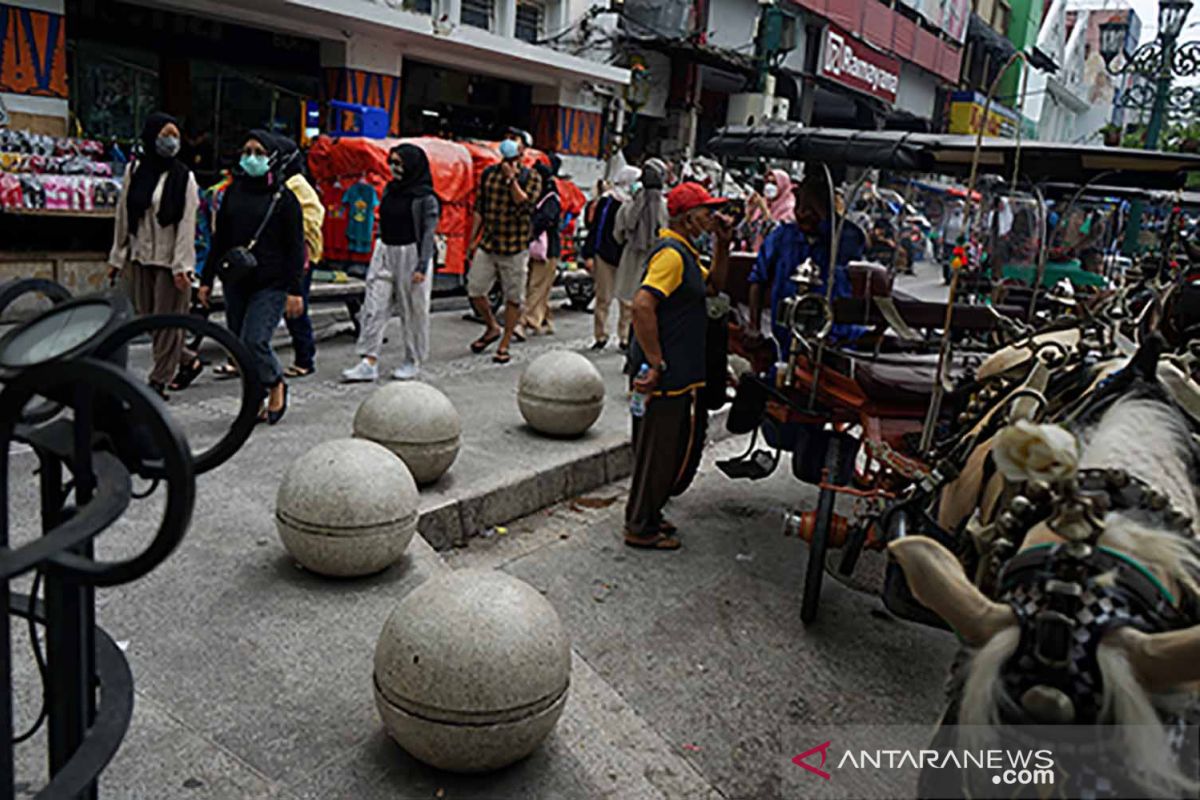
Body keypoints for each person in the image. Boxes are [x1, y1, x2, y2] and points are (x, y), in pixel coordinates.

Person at [624, 182, 732, 550]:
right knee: (656, 453)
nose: (711, 216)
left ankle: (650, 515)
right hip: (663, 376)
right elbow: (642, 306)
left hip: (677, 374)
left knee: (664, 451)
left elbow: (714, 286)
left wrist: (723, 243)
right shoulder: (671, 256)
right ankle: (640, 527)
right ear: (688, 218)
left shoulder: (685, 253)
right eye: (706, 211)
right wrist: (655, 362)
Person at [199, 130, 305, 425]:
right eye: (247, 151)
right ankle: (253, 399)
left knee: (255, 340)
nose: (251, 157)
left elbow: (296, 248)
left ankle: (276, 383)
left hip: (271, 282)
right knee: (239, 347)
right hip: (236, 282)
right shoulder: (233, 193)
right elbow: (219, 241)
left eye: (258, 152)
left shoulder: (285, 199)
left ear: (272, 158)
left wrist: (295, 291)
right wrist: (206, 280)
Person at [107, 111, 200, 399]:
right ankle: (188, 359)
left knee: (166, 321)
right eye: (165, 135)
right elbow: (124, 216)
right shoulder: (135, 171)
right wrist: (117, 257)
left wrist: (182, 266)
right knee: (148, 318)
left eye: (175, 135)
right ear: (151, 136)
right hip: (140, 257)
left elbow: (187, 224)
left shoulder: (184, 177)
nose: (171, 141)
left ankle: (158, 381)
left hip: (170, 262)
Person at [342, 144, 441, 382]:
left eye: (399, 163)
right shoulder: (390, 190)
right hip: (386, 250)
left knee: (412, 310)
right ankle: (369, 360)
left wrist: (421, 266)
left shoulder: (425, 198)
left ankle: (413, 359)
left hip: (412, 253)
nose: (395, 168)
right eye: (392, 163)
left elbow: (428, 233)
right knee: (374, 306)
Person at [747, 172, 866, 348]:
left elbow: (852, 246)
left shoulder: (844, 236)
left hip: (834, 337)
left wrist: (822, 211)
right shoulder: (782, 237)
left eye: (811, 208)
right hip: (786, 335)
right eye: (800, 205)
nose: (803, 213)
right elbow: (758, 280)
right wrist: (754, 327)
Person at [466, 134, 541, 364]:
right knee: (475, 290)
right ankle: (491, 326)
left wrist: (511, 180)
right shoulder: (489, 174)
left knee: (513, 298)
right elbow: (480, 207)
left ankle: (505, 342)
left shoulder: (532, 177)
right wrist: (472, 239)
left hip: (515, 247)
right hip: (489, 243)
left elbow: (525, 203)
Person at [270, 134, 325, 379]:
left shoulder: (298, 185)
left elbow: (313, 218)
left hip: (298, 256)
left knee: (295, 309)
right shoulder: (275, 181)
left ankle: (305, 357)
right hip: (275, 254)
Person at [585, 166, 638, 349]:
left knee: (627, 301)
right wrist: (590, 253)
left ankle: (624, 337)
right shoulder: (608, 201)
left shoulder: (636, 203)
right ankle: (601, 335)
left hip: (627, 258)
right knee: (603, 298)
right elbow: (596, 229)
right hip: (605, 256)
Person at [520, 159, 562, 336]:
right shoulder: (544, 197)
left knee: (536, 285)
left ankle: (527, 321)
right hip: (541, 249)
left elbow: (546, 219)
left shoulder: (550, 199)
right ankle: (545, 320)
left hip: (547, 250)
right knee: (541, 286)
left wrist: (531, 228)